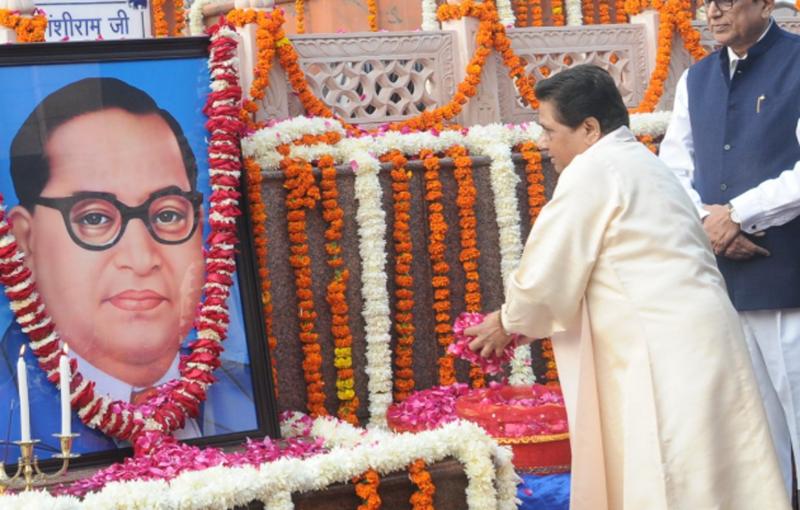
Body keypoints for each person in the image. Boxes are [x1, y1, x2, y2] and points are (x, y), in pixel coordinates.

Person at [466, 65, 788, 509]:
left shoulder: (593, 170)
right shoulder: (646, 162)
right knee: (722, 479)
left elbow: (547, 274)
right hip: (708, 336)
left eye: (550, 131)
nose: (543, 143)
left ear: (589, 129)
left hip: (663, 349)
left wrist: (507, 322)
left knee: (672, 477)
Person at [0, 78, 255, 462]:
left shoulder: (250, 395)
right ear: (25, 240)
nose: (140, 258)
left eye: (168, 215)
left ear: (203, 226)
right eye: (95, 218)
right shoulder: (9, 415)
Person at [658, 0, 800, 498]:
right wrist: (708, 222)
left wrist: (738, 213)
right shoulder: (696, 79)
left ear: (764, 4)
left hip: (787, 277)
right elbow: (673, 167)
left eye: (725, 1)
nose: (713, 12)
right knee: (755, 442)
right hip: (722, 283)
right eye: (705, 3)